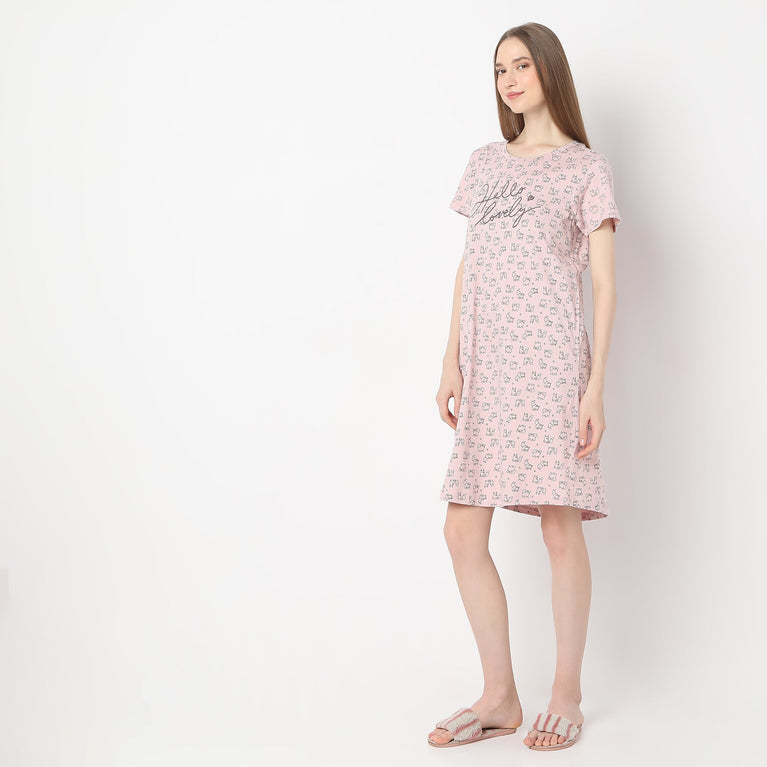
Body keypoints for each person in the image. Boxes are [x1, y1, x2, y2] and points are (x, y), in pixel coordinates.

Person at [429, 22, 622, 752]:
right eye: (499, 69)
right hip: (487, 366)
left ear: (548, 71)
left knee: (558, 527)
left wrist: (594, 387)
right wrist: (450, 358)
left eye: (520, 66)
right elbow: (469, 264)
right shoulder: (484, 163)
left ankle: (566, 693)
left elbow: (603, 284)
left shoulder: (585, 169)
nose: (508, 80)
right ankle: (499, 696)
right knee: (461, 529)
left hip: (551, 366)